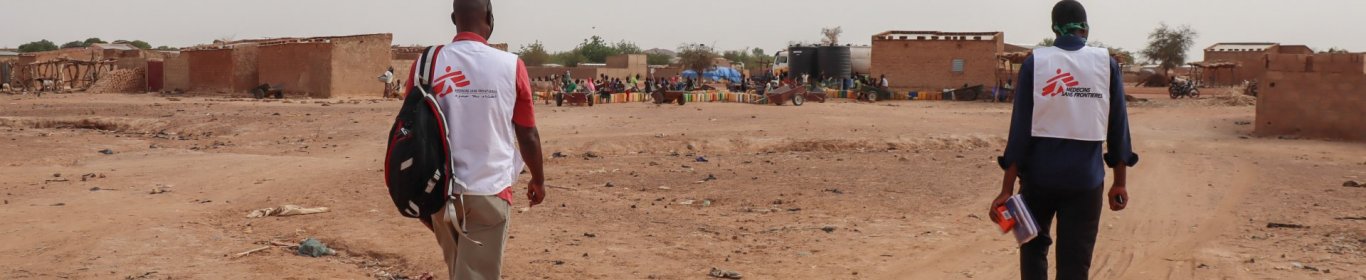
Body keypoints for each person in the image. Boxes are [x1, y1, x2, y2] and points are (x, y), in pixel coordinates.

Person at [989, 1, 1137, 280]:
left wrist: (1006, 190)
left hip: (1037, 181)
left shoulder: (1037, 62)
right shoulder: (1107, 64)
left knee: (1032, 248)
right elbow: (1118, 128)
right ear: (1085, 28)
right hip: (1086, 181)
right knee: (1075, 262)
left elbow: (1019, 130)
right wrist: (1120, 182)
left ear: (1054, 29)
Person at [404, 1, 547, 278]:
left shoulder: (426, 63)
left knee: (460, 269)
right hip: (489, 189)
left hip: (439, 190)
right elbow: (527, 134)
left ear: (453, 18)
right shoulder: (510, 65)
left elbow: (408, 127)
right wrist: (538, 179)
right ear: (490, 18)